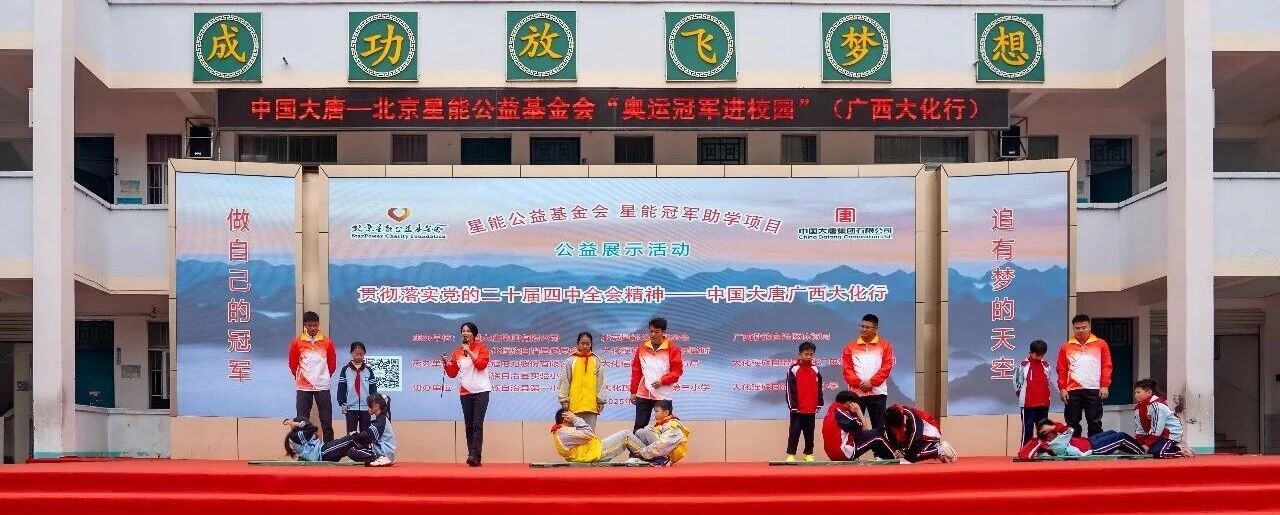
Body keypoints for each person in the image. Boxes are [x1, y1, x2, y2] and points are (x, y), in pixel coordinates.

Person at [443, 321, 492, 467]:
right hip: (465, 392)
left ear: (474, 334)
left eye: (468, 331)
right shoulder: (457, 351)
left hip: (481, 391)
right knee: (469, 425)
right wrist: (446, 364)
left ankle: (475, 456)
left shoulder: (482, 348)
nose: (465, 333)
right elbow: (452, 373)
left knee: (477, 424)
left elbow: (481, 365)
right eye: (463, 331)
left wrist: (469, 351)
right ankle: (472, 454)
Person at [1056, 314, 1113, 438]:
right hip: (1072, 390)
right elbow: (1061, 369)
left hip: (1094, 389)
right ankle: (1074, 447)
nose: (1080, 330)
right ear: (1073, 328)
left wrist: (1104, 385)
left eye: (1083, 327)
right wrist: (1062, 388)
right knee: (1072, 423)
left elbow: (1106, 365)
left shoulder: (1100, 344)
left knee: (1094, 422)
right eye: (1077, 328)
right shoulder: (1066, 346)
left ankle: (1096, 446)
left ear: (1089, 327)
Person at [840, 314, 895, 432]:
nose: (863, 329)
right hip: (856, 394)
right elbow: (847, 369)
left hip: (878, 393)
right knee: (855, 426)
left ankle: (878, 445)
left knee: (879, 427)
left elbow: (887, 366)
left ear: (876, 328)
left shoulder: (885, 345)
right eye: (862, 326)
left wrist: (872, 383)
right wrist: (859, 383)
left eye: (867, 327)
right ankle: (856, 445)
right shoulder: (850, 346)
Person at [289, 311, 337, 442]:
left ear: (319, 325)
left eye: (315, 325)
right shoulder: (297, 342)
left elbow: (332, 364)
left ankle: (329, 449)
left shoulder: (327, 342)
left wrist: (324, 377)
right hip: (303, 387)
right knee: (301, 421)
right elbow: (293, 364)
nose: (313, 328)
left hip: (323, 386)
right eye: (309, 325)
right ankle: (303, 449)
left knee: (326, 421)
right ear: (305, 325)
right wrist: (301, 378)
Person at [630, 317, 683, 431]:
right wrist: (633, 391)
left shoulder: (673, 349)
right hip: (643, 394)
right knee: (639, 427)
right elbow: (636, 371)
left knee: (666, 428)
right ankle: (637, 444)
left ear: (663, 332)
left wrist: (662, 381)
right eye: (651, 331)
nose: (652, 334)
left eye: (656, 331)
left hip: (663, 395)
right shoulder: (642, 348)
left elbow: (677, 372)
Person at [282, 417, 390, 466]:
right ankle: (376, 458)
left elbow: (311, 428)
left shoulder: (298, 435)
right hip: (323, 454)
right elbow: (310, 427)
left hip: (324, 450)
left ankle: (374, 457)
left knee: (351, 447)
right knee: (351, 439)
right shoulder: (295, 436)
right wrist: (296, 423)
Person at [822, 390, 895, 462]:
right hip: (843, 454)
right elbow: (865, 428)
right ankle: (894, 458)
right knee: (877, 434)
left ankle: (884, 457)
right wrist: (858, 411)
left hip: (833, 454)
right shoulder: (841, 412)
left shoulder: (833, 411)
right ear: (849, 403)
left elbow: (858, 431)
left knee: (867, 435)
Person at [551, 408, 644, 463]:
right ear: (566, 419)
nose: (574, 417)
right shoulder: (564, 432)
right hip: (598, 452)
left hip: (595, 449)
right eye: (572, 416)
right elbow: (590, 433)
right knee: (626, 435)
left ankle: (648, 453)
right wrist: (575, 420)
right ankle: (649, 455)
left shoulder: (561, 431)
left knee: (636, 433)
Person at [1016, 419, 1144, 459]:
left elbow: (1065, 427)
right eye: (1048, 430)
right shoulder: (1052, 443)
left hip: (1089, 441)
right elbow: (1069, 430)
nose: (1052, 431)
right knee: (1121, 437)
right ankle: (1142, 452)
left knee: (1112, 432)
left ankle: (1129, 450)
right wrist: (1037, 441)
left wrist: (1053, 427)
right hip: (1093, 448)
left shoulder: (1055, 435)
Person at [556, 331, 606, 429]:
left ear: (591, 344)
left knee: (589, 435)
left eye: (587, 343)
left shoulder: (597, 361)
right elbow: (564, 381)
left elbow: (601, 383)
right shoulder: (570, 361)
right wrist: (564, 400)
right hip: (573, 407)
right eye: (582, 343)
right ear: (577, 343)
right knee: (574, 435)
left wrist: (601, 401)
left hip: (591, 407)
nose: (585, 346)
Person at [784, 341, 824, 462]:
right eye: (806, 354)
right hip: (797, 409)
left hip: (811, 408)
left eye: (811, 354)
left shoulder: (815, 369)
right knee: (794, 432)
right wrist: (793, 406)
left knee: (809, 433)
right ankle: (791, 454)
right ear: (799, 354)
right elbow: (789, 389)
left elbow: (819, 387)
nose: (809, 356)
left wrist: (819, 403)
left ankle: (809, 454)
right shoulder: (794, 369)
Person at [1133, 378, 1193, 458]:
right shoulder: (1138, 408)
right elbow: (1140, 428)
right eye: (1135, 392)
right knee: (1146, 450)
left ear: (1149, 392)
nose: (1136, 395)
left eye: (1138, 392)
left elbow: (1157, 429)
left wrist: (1147, 445)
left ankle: (1181, 450)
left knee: (1157, 452)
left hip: (1169, 436)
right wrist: (1140, 443)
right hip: (1157, 436)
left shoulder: (1157, 406)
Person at [883, 404, 957, 463]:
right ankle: (934, 449)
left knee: (913, 456)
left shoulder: (909, 413)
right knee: (908, 457)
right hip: (919, 436)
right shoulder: (888, 417)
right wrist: (897, 450)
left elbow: (916, 433)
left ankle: (940, 449)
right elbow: (893, 436)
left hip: (930, 432)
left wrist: (904, 452)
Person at [1014, 339, 1052, 443]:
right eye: (1037, 354)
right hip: (1028, 404)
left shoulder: (1046, 365)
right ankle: (1026, 450)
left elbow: (1047, 380)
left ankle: (1041, 450)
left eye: (1041, 355)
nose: (1039, 357)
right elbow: (1017, 383)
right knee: (1028, 427)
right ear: (1030, 352)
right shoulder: (1023, 366)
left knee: (1043, 429)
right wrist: (1022, 395)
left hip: (1043, 403)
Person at [336, 341, 378, 434]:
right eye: (356, 354)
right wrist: (342, 403)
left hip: (366, 408)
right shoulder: (345, 369)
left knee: (365, 434)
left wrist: (372, 404)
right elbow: (342, 388)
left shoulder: (368, 370)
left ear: (364, 354)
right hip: (350, 407)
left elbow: (373, 389)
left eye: (361, 354)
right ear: (351, 353)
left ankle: (365, 445)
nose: (358, 356)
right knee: (351, 435)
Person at [634, 400, 691, 466]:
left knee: (648, 428)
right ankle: (650, 458)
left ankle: (663, 458)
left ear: (666, 412)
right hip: (660, 450)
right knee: (639, 432)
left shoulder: (672, 425)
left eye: (656, 411)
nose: (654, 414)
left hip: (667, 453)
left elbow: (663, 444)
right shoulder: (662, 424)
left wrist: (643, 452)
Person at [366, 393, 396, 464]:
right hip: (386, 452)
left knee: (352, 450)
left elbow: (387, 398)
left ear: (376, 406)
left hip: (384, 453)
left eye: (369, 406)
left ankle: (382, 458)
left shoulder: (382, 420)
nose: (367, 408)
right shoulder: (383, 418)